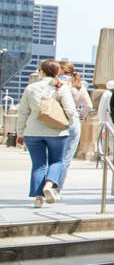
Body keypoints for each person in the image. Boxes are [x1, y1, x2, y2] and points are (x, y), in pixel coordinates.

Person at [15, 60, 77, 206]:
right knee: (56, 161)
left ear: (41, 71)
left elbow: (23, 112)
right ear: (57, 72)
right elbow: (70, 110)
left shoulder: (31, 88)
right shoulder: (61, 87)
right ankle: (49, 186)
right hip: (57, 131)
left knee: (38, 165)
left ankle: (38, 198)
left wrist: (20, 133)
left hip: (33, 131)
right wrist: (68, 124)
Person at [54, 61, 93, 190]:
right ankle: (58, 187)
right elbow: (89, 106)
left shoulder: (57, 86)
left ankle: (48, 182)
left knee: (53, 156)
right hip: (74, 120)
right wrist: (80, 115)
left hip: (55, 120)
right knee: (66, 158)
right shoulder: (79, 87)